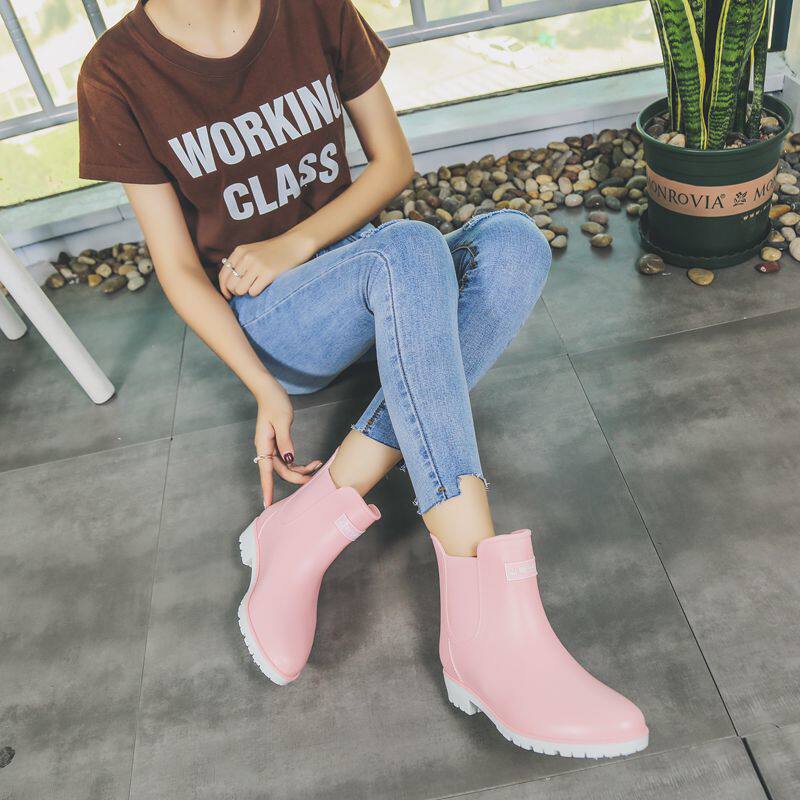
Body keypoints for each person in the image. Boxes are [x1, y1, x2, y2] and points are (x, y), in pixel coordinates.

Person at [77, 0, 649, 758]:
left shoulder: (312, 8)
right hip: (282, 319)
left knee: (514, 245)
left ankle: (307, 521)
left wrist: (295, 240)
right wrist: (263, 386)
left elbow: (392, 162)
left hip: (377, 277)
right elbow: (180, 270)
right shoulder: (116, 75)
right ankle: (483, 625)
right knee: (406, 247)